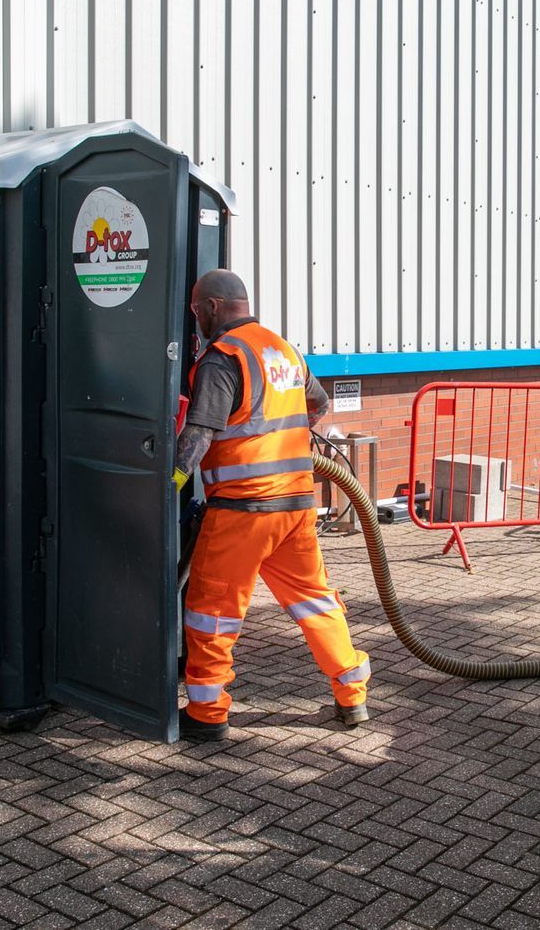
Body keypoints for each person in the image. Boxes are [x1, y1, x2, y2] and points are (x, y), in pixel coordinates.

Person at [173, 269, 371, 742]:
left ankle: (206, 713)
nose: (196, 319)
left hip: (243, 511)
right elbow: (318, 405)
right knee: (315, 601)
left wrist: (168, 482)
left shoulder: (222, 359)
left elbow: (199, 434)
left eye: (197, 310)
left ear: (214, 308)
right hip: (297, 506)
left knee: (212, 610)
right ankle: (353, 695)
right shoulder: (282, 350)